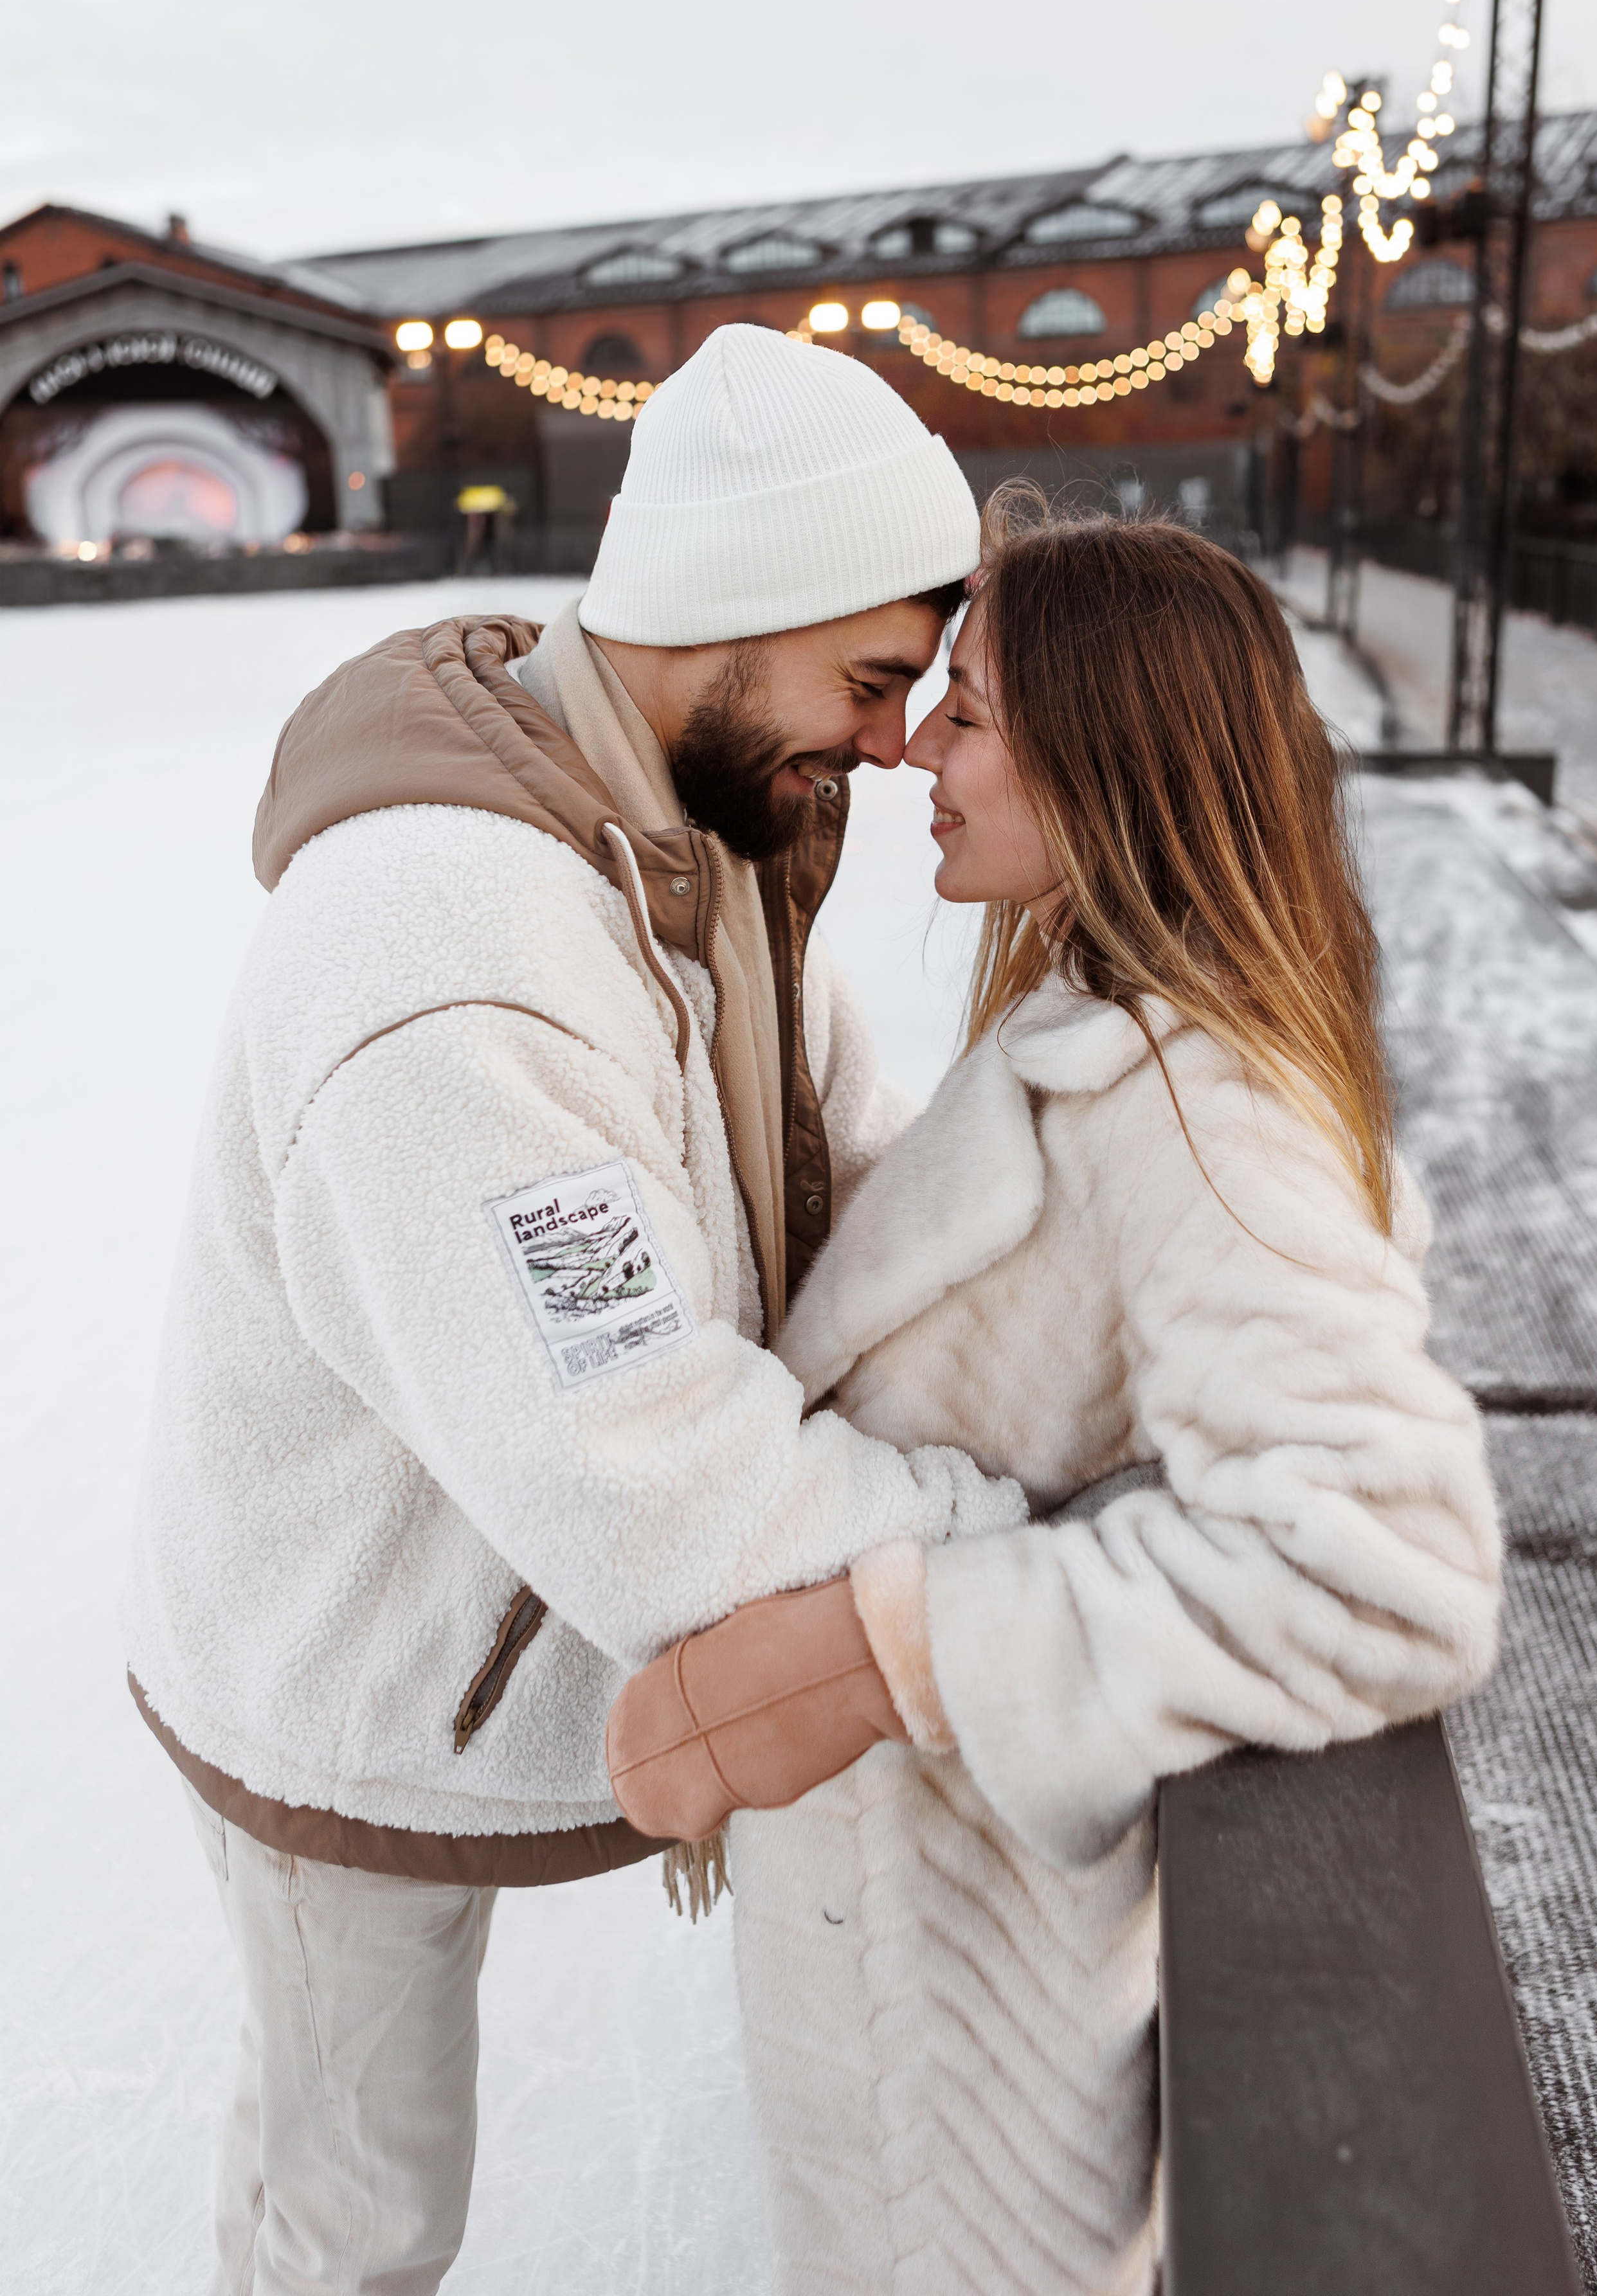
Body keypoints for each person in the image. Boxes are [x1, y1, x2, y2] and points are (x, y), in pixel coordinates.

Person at [123, 325, 1027, 2296]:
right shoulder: (452, 957)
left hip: (468, 1624)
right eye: (874, 681)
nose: (893, 743)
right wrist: (1005, 1548)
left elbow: (851, 1170)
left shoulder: (696, 845)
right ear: (729, 618)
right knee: (348, 2216)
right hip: (355, 1684)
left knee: (331, 2177)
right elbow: (635, 1459)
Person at [608, 501, 1503, 2295]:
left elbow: (1386, 1559)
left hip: (977, 2025)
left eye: (977, 711)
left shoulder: (1201, 1107)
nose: (917, 746)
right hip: (927, 1960)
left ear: (1114, 753)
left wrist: (889, 1648)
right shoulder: (1091, 1026)